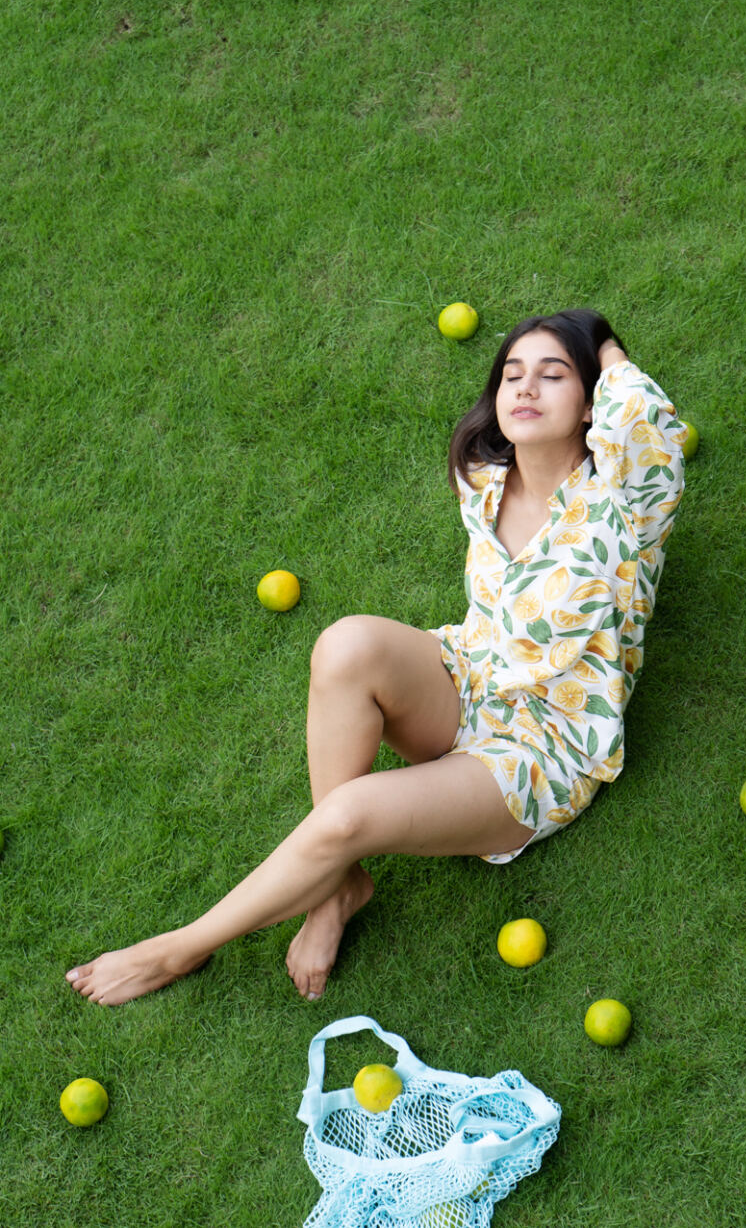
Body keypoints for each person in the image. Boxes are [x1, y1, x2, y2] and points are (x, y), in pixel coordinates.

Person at [66, 308, 686, 1006]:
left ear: (592, 404)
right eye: (512, 374)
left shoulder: (627, 502)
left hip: (543, 747)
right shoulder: (485, 479)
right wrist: (566, 359)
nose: (525, 388)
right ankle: (337, 888)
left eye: (554, 375)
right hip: (470, 675)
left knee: (347, 816)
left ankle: (176, 950)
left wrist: (598, 337)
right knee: (345, 643)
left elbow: (646, 416)